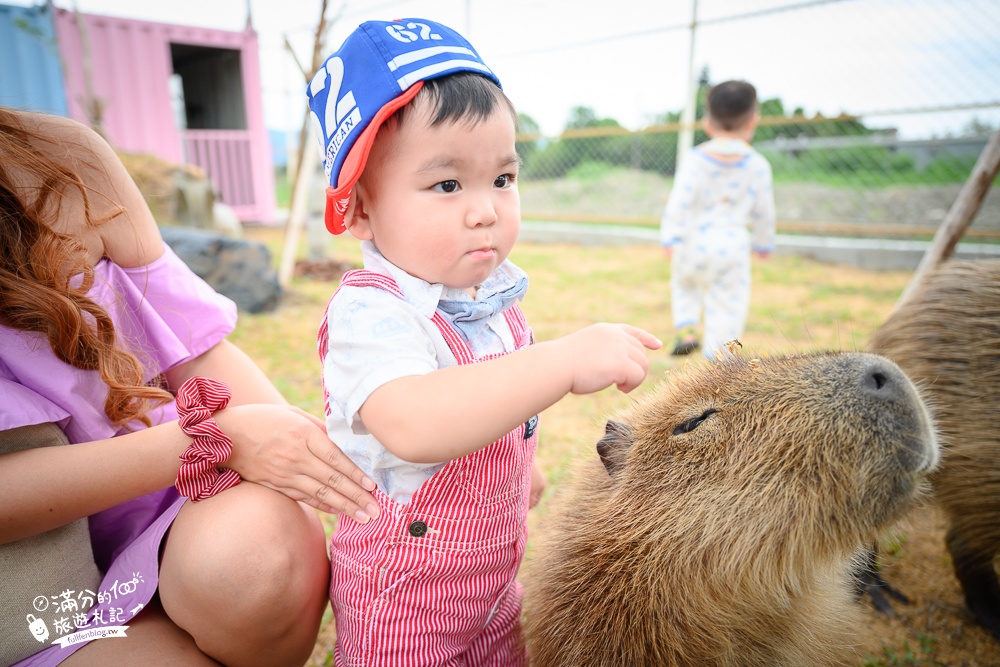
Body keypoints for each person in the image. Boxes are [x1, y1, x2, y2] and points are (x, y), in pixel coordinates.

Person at [309, 18, 662, 666]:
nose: (486, 209)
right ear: (359, 208)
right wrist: (561, 359)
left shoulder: (487, 295)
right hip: (404, 603)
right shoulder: (371, 313)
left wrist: (517, 471)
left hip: (494, 589)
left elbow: (493, 404)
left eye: (502, 178)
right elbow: (415, 420)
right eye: (448, 185)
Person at [0, 106, 381, 666]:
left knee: (257, 556)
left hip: (165, 511)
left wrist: (321, 465)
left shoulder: (59, 157)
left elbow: (195, 344)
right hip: (34, 595)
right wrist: (211, 436)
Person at [659, 79, 776, 360]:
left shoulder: (695, 159)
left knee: (684, 283)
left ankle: (687, 328)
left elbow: (680, 201)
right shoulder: (758, 165)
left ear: (707, 123)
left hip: (693, 241)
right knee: (728, 305)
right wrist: (763, 243)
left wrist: (669, 235)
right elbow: (764, 212)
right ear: (753, 122)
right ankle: (718, 357)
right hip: (733, 246)